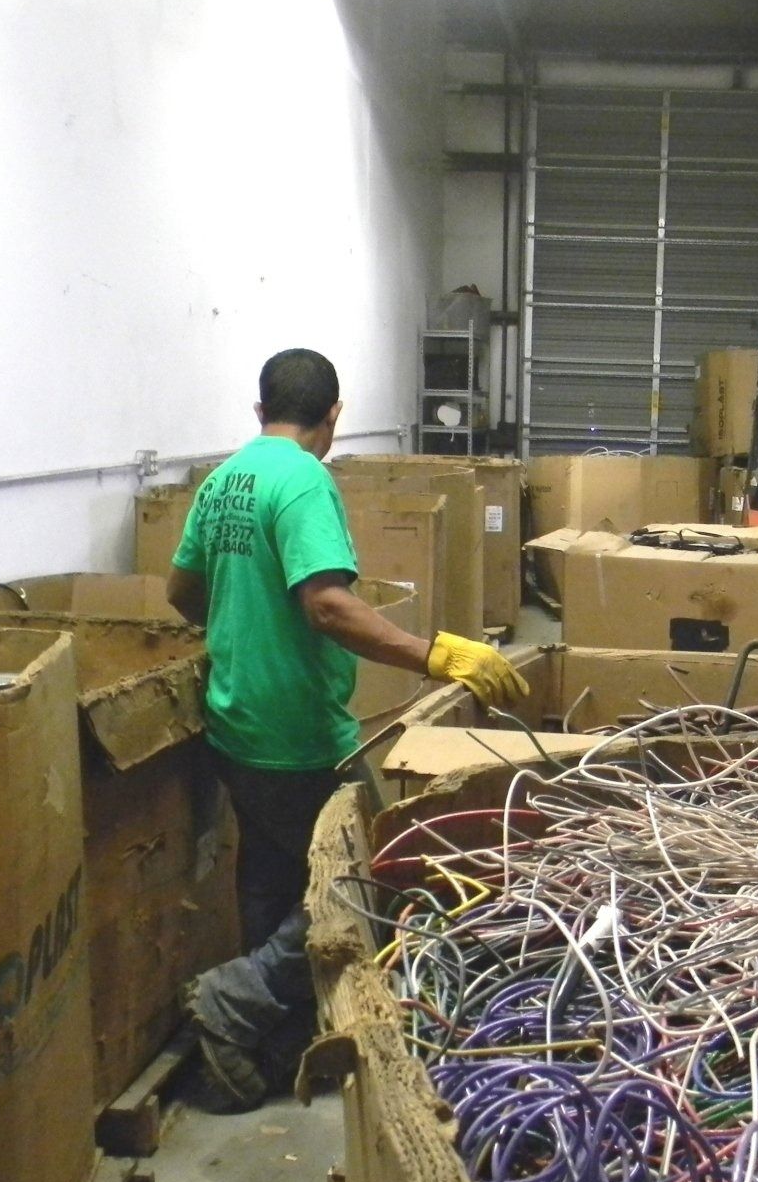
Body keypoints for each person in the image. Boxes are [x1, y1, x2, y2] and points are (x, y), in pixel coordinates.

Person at [165, 347, 528, 1108]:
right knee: (362, 887)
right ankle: (236, 999)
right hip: (298, 731)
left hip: (234, 721)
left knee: (272, 881)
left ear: (259, 409)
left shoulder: (224, 479)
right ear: (334, 416)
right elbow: (328, 605)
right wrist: (438, 654)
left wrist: (243, 628)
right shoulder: (303, 481)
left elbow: (182, 591)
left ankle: (260, 1052)